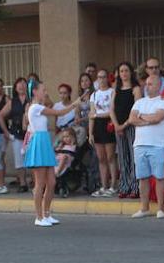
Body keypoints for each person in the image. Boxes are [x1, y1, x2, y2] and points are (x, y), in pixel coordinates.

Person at [25, 80, 77, 226]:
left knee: (52, 182)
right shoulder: (35, 107)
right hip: (39, 144)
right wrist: (75, 104)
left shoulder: (39, 106)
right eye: (43, 89)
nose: (45, 92)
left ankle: (47, 214)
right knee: (40, 183)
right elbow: (59, 112)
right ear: (35, 91)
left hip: (45, 143)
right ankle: (39, 217)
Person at [127, 74, 164, 219]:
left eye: (151, 84)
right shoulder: (139, 102)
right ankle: (144, 208)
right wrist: (148, 119)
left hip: (158, 145)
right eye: (146, 83)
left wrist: (142, 117)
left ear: (159, 85)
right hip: (140, 144)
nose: (147, 86)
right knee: (143, 178)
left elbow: (157, 118)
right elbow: (131, 119)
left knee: (159, 177)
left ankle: (160, 208)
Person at [111, 63, 141, 199]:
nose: (124, 73)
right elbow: (111, 109)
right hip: (118, 128)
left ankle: (135, 187)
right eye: (121, 71)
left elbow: (137, 108)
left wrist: (124, 125)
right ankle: (124, 186)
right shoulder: (115, 90)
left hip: (131, 126)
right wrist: (117, 125)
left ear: (130, 72)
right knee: (122, 158)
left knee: (133, 157)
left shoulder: (136, 89)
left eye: (126, 70)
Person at [88, 68, 118, 196]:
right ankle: (104, 185)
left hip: (108, 124)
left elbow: (111, 112)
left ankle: (113, 185)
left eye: (104, 77)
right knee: (101, 158)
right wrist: (90, 133)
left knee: (110, 156)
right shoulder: (94, 94)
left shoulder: (112, 92)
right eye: (99, 77)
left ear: (107, 78)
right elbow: (91, 114)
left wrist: (97, 115)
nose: (101, 79)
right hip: (98, 126)